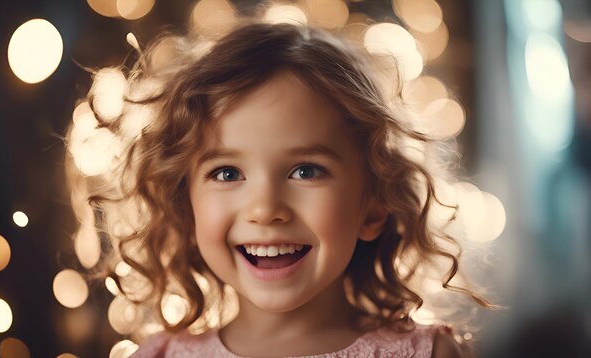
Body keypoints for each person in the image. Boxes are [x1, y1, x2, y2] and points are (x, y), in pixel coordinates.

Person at [68, 19, 490, 358]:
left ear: (373, 206)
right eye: (228, 173)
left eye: (306, 171)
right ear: (186, 204)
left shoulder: (429, 352)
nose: (266, 208)